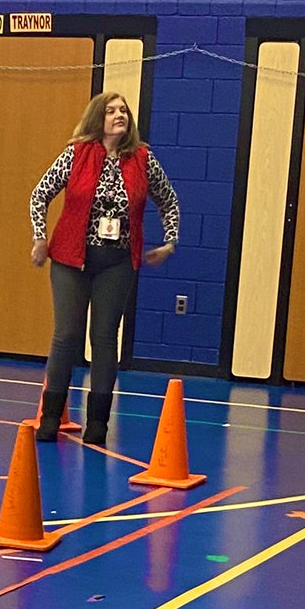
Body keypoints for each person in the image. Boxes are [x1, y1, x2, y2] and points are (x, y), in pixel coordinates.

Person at [29, 91, 180, 445]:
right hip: (70, 258)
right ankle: (51, 416)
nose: (119, 115)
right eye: (111, 111)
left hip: (118, 262)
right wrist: (40, 237)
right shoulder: (76, 153)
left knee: (103, 338)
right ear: (98, 118)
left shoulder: (143, 159)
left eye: (123, 110)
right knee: (66, 335)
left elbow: (168, 200)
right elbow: (40, 194)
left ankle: (98, 422)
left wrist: (169, 241)